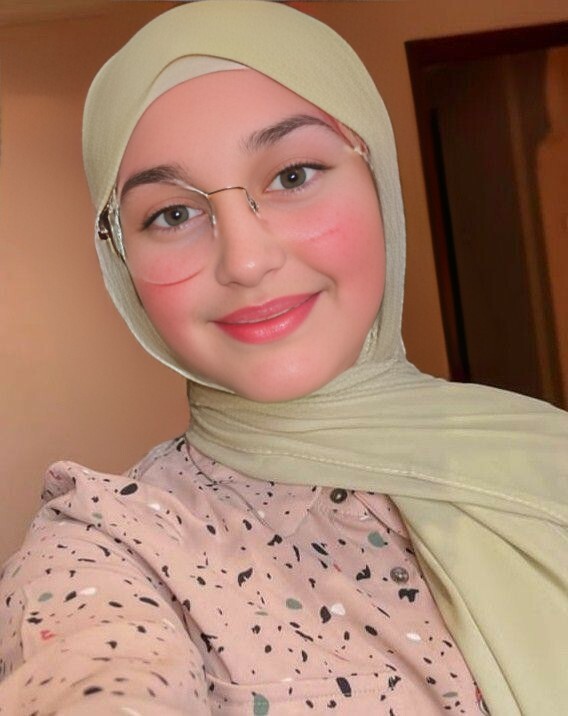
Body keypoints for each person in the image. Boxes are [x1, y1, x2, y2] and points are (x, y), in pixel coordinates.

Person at [0, 1, 566, 714]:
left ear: (379, 180)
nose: (245, 260)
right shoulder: (120, 545)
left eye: (293, 175)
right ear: (119, 258)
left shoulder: (543, 450)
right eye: (172, 214)